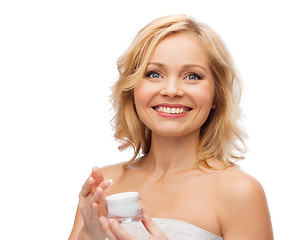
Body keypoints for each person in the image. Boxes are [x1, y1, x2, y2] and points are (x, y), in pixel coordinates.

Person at [69, 14, 273, 240]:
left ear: (217, 94)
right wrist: (88, 234)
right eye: (154, 74)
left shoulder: (239, 192)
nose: (171, 90)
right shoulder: (105, 185)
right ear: (132, 89)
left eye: (193, 76)